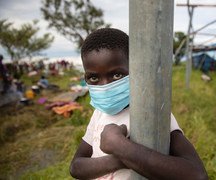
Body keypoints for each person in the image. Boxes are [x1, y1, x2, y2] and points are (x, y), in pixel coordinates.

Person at [69, 28, 208, 180]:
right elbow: (76, 167)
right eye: (94, 78)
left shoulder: (155, 113)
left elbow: (197, 175)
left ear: (136, 70)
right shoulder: (99, 114)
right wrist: (120, 159)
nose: (105, 85)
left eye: (116, 75)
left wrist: (119, 146)